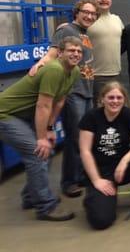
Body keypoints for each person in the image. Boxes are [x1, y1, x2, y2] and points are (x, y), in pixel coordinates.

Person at [0, 36, 82, 221]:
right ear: (60, 53)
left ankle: (31, 196)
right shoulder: (54, 69)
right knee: (38, 152)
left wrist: (50, 128)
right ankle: (45, 206)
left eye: (79, 51)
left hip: (22, 116)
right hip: (5, 115)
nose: (75, 54)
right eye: (71, 50)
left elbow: (59, 101)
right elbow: (43, 105)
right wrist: (41, 137)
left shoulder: (74, 71)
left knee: (46, 152)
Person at [30, 0, 98, 198]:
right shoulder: (66, 30)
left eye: (93, 14)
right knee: (74, 137)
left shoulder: (84, 33)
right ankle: (69, 181)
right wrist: (40, 64)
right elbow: (52, 54)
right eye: (86, 12)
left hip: (87, 91)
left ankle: (80, 174)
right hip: (73, 92)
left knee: (85, 136)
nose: (89, 16)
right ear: (76, 12)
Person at [79, 82, 130, 229]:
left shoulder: (127, 113)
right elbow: (85, 151)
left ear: (124, 99)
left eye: (119, 98)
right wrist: (96, 180)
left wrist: (125, 160)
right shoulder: (91, 117)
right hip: (101, 173)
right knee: (101, 221)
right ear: (102, 99)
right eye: (111, 97)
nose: (115, 101)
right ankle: (93, 197)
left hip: (121, 169)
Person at [87, 0, 124, 103]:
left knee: (113, 110)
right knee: (98, 111)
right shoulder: (88, 20)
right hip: (95, 76)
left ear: (111, 0)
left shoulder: (117, 19)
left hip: (116, 74)